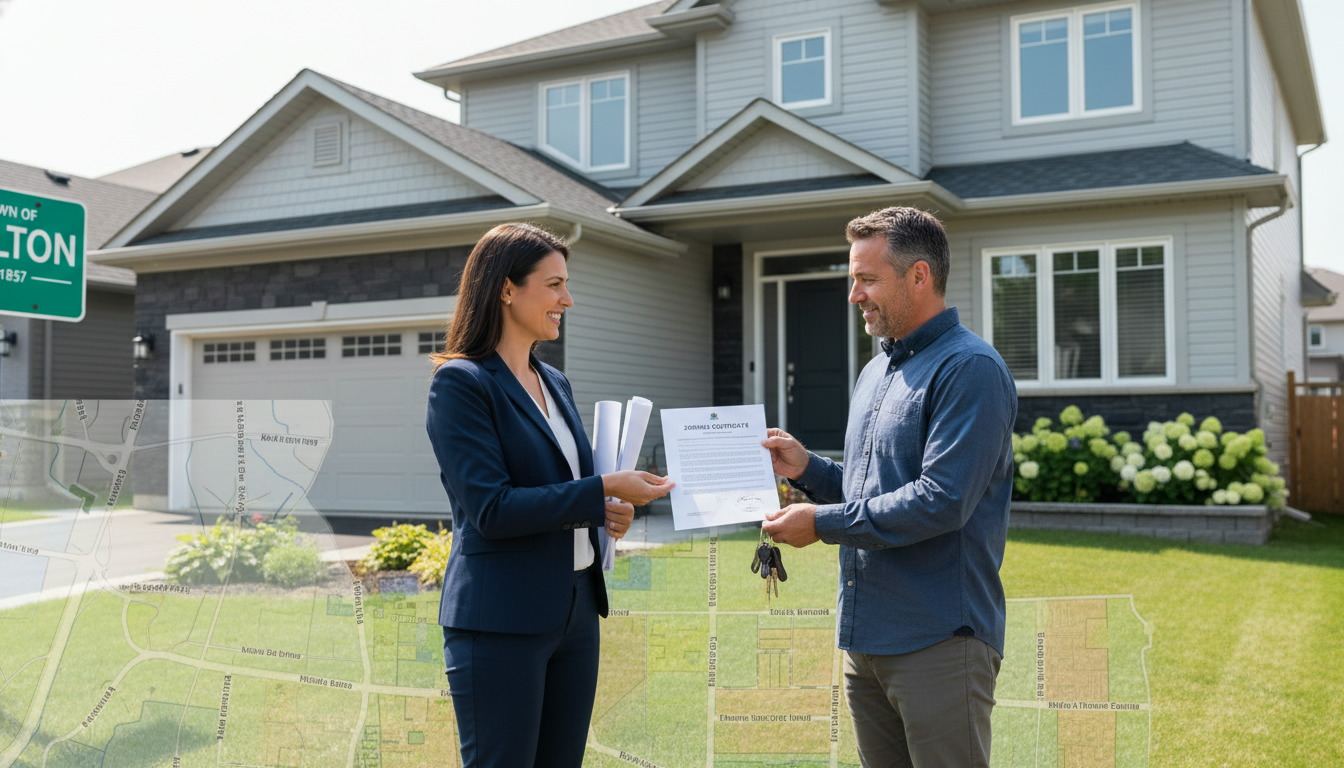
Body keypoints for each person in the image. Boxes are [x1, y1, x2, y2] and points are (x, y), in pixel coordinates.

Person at [761, 207, 1016, 768]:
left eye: (867, 279)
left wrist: (819, 526)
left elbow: (940, 500)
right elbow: (867, 489)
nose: (855, 295)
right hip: (865, 636)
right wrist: (807, 469)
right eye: (853, 279)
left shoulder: (970, 368)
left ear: (919, 276)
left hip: (939, 641)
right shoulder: (875, 371)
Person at [425, 222, 674, 767]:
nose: (568, 298)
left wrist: (609, 510)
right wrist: (600, 489)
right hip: (500, 621)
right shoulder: (461, 384)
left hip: (576, 612)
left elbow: (561, 490)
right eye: (555, 284)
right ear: (507, 289)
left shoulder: (553, 381)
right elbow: (491, 509)